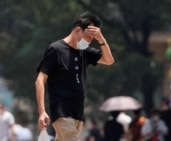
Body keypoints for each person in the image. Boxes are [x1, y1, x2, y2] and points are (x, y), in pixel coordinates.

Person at [35, 12, 114, 141]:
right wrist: (42, 111)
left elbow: (109, 60)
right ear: (78, 30)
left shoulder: (84, 50)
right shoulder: (56, 49)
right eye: (88, 38)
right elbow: (40, 80)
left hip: (78, 111)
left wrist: (101, 39)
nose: (89, 41)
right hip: (61, 110)